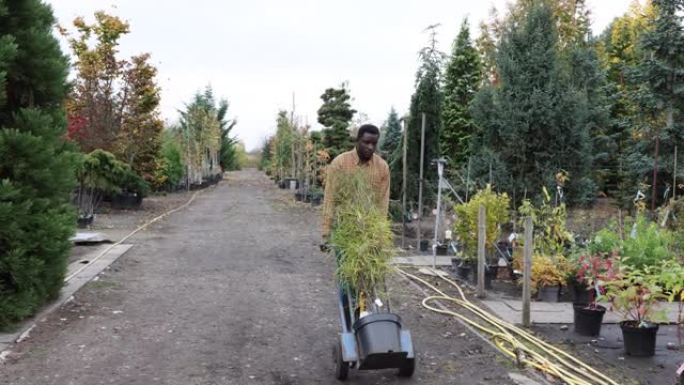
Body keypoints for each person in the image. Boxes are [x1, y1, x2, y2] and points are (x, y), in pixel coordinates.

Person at [321, 124, 390, 243]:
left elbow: (382, 203)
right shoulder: (340, 163)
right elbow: (330, 198)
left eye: (374, 143)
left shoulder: (382, 167)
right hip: (343, 228)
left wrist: (380, 234)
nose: (370, 147)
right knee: (345, 261)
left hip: (369, 231)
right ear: (357, 140)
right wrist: (326, 233)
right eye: (366, 142)